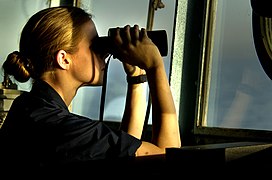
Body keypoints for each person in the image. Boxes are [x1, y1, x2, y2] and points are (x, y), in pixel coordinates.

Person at [0, 6, 181, 176]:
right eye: (95, 46)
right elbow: (165, 157)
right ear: (63, 59)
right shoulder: (66, 129)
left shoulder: (28, 107)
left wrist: (137, 80)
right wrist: (155, 67)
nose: (104, 54)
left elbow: (122, 151)